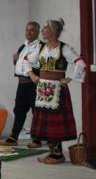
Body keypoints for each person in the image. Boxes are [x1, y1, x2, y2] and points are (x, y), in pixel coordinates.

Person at [24, 19, 86, 164]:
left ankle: (58, 155)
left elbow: (81, 63)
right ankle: (53, 153)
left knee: (55, 122)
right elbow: (26, 60)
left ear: (53, 31)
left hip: (57, 91)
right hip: (43, 89)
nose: (42, 31)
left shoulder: (64, 48)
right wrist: (32, 75)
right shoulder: (41, 48)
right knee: (46, 123)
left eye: (45, 28)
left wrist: (69, 78)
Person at [0, 22, 42, 147]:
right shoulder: (23, 46)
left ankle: (37, 139)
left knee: (36, 111)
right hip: (22, 84)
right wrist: (15, 60)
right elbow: (19, 64)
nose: (28, 32)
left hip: (33, 84)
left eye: (32, 30)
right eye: (27, 30)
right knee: (19, 110)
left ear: (37, 32)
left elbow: (36, 63)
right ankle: (14, 136)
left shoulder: (41, 47)